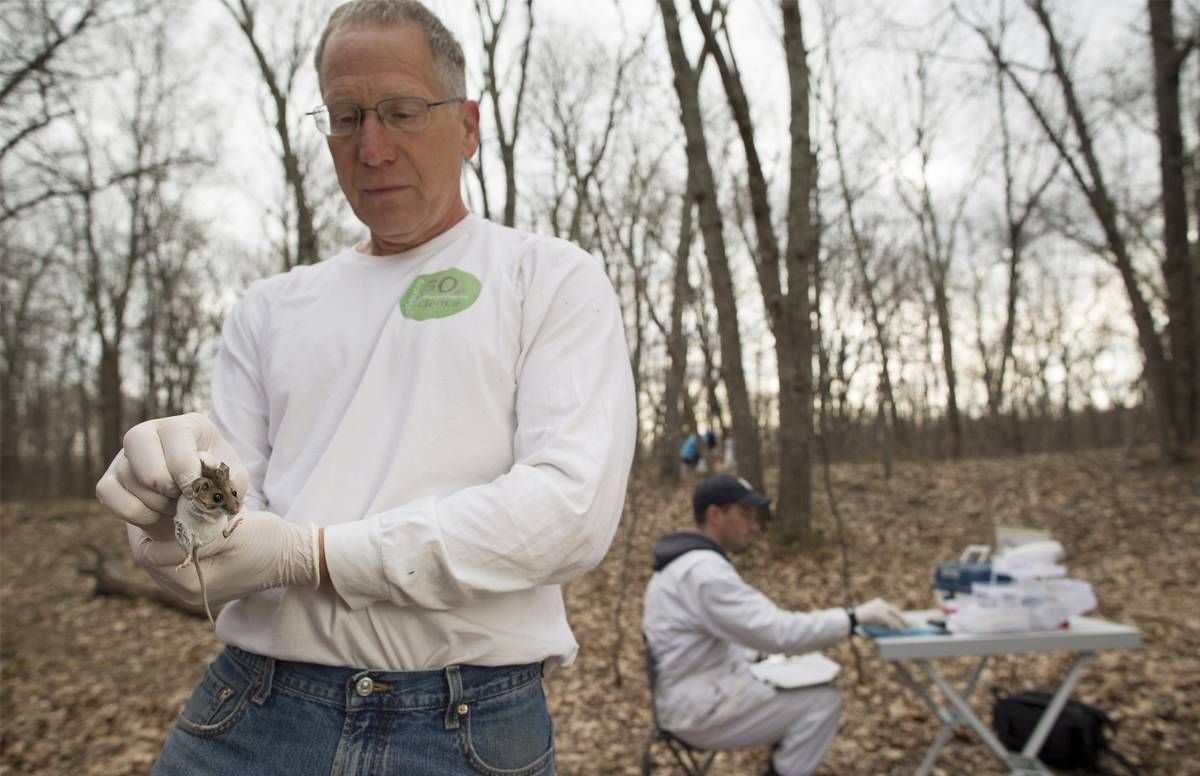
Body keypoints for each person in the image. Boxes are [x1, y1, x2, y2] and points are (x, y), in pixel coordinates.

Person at [93, 2, 636, 774]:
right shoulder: (270, 308)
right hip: (255, 712)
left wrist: (315, 556)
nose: (371, 148)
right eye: (345, 117)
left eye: (402, 112)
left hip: (467, 727)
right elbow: (233, 542)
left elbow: (566, 513)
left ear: (469, 125)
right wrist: (171, 514)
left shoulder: (547, 279)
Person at [642, 474, 906, 776]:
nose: (754, 526)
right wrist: (852, 618)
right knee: (822, 702)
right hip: (697, 711)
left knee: (805, 682)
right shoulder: (703, 572)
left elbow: (708, 640)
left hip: (692, 694)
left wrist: (758, 657)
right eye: (745, 514)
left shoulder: (682, 566)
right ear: (715, 514)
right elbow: (777, 631)